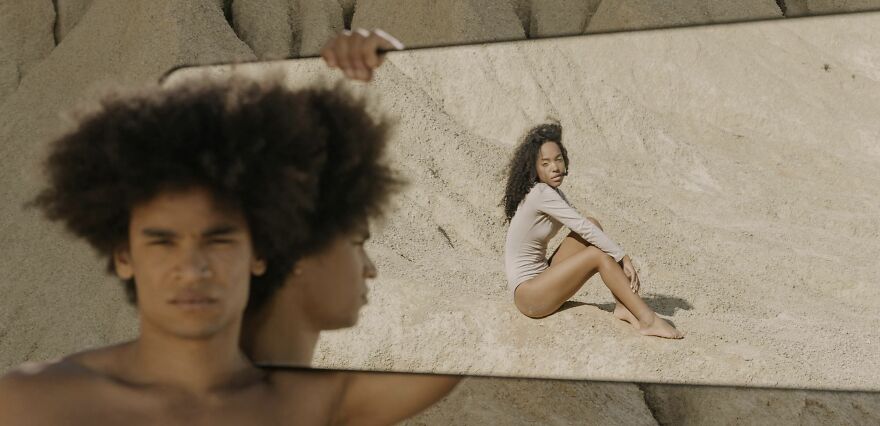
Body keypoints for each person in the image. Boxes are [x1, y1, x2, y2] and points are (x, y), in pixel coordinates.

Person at [0, 62, 457, 425]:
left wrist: (385, 54)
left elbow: (466, 352)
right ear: (124, 256)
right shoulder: (31, 404)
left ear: (260, 252)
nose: (192, 268)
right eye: (163, 242)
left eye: (218, 239)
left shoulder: (312, 403)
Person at [502, 123, 684, 339]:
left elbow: (586, 227)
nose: (555, 167)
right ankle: (648, 320)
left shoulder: (553, 193)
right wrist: (622, 257)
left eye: (558, 159)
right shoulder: (540, 193)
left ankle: (623, 305)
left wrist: (618, 256)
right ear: (534, 168)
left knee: (593, 224)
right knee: (596, 253)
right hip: (529, 296)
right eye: (545, 163)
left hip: (542, 277)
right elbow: (581, 227)